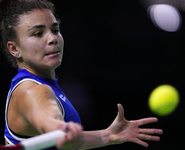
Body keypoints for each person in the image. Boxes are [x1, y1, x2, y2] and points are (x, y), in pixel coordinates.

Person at [0, 0, 163, 149]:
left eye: (55, 30)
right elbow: (47, 120)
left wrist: (109, 135)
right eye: (38, 33)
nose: (52, 39)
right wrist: (60, 128)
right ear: (14, 49)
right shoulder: (33, 91)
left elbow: (67, 141)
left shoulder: (36, 85)